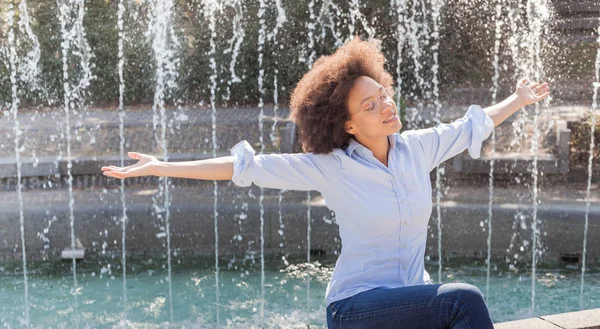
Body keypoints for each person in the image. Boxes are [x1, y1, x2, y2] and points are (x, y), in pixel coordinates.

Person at [101, 37, 550, 329]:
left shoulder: (418, 147)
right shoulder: (331, 167)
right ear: (349, 124)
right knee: (463, 301)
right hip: (355, 309)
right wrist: (161, 167)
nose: (387, 107)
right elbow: (246, 168)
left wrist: (520, 98)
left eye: (385, 95)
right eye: (371, 106)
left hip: (406, 304)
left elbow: (472, 125)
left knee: (456, 304)